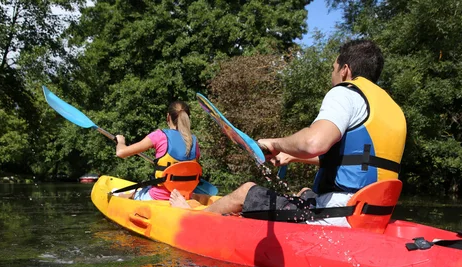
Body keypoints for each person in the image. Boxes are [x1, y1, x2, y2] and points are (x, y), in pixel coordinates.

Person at [170, 39, 406, 226]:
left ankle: (190, 218)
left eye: (333, 69)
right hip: (372, 215)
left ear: (345, 70)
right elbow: (357, 161)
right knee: (304, 191)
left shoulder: (345, 92)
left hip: (339, 214)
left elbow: (314, 142)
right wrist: (293, 156)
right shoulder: (391, 108)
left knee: (245, 191)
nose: (332, 76)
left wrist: (276, 143)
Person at [114, 100, 201, 201]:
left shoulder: (160, 136)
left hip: (158, 197)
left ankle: (119, 196)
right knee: (143, 189)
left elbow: (121, 153)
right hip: (184, 198)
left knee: (133, 194)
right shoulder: (194, 141)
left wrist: (120, 141)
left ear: (168, 117)